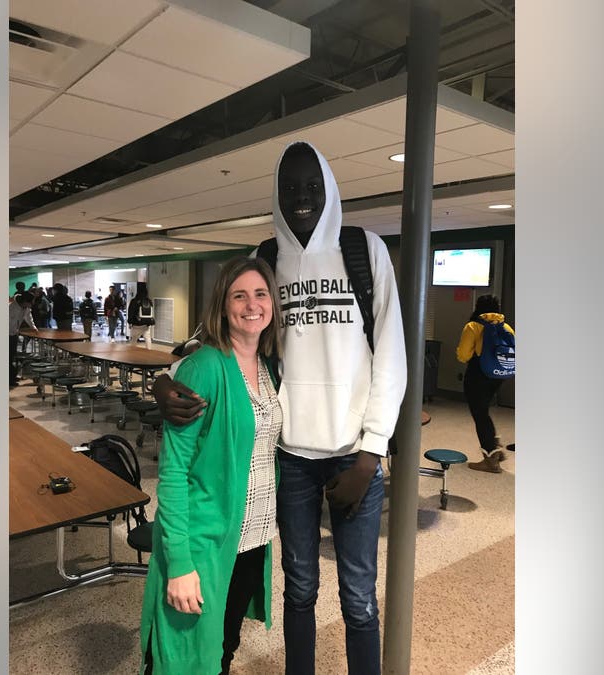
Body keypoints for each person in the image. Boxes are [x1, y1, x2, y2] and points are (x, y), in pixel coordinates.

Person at [155, 141, 406, 675]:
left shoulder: (366, 251)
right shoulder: (267, 258)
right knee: (299, 589)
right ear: (277, 193)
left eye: (312, 187)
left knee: (359, 597)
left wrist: (371, 452)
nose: (301, 198)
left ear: (330, 189)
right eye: (290, 188)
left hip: (353, 457)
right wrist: (162, 379)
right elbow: (213, 340)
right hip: (289, 456)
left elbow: (393, 353)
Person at [139, 257, 284, 674]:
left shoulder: (268, 367)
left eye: (260, 294)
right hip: (205, 540)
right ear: (223, 305)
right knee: (181, 655)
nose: (251, 304)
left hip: (252, 537)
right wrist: (180, 563)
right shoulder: (204, 367)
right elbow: (173, 473)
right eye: (239, 295)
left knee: (222, 647)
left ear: (272, 304)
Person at [455, 294, 515, 473]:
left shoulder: (473, 326)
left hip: (478, 375)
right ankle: (496, 448)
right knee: (484, 411)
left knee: (480, 414)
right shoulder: (506, 327)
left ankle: (490, 459)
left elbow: (464, 355)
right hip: (499, 375)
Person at [8, 292, 36, 388]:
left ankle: (11, 376)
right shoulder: (11, 307)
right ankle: (10, 379)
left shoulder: (25, 308)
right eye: (31, 302)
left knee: (12, 356)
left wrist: (33, 327)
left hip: (14, 334)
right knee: (8, 357)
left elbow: (28, 317)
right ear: (25, 301)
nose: (32, 305)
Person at [128, 282, 156, 349]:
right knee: (147, 339)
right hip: (146, 324)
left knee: (134, 340)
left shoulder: (134, 301)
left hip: (136, 324)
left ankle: (132, 352)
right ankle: (149, 352)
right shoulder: (149, 301)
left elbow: (131, 312)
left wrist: (130, 322)